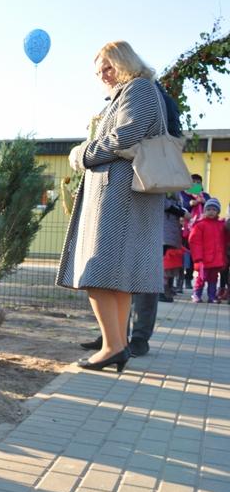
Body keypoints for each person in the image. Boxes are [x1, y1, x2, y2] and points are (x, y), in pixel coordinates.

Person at [58, 41, 168, 372]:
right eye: (98, 71)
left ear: (124, 62)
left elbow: (125, 137)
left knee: (96, 271)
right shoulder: (130, 92)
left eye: (108, 66)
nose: (104, 75)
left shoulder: (139, 89)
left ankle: (112, 347)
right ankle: (116, 345)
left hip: (119, 198)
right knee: (116, 277)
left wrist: (82, 154)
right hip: (119, 196)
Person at [188, 198, 226, 303]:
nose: (211, 212)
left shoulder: (221, 225)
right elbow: (195, 242)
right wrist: (198, 257)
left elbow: (224, 241)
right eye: (208, 209)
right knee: (201, 278)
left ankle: (212, 296)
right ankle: (196, 295)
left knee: (213, 279)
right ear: (204, 211)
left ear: (218, 211)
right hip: (203, 259)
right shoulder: (200, 225)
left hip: (216, 259)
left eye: (214, 209)